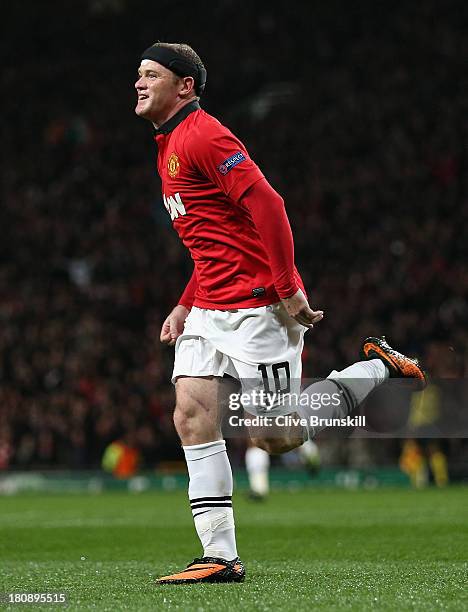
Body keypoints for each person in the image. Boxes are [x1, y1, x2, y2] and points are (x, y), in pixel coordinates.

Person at [134, 42, 426, 584]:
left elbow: (268, 205)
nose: (139, 82)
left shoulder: (204, 135)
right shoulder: (168, 143)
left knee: (276, 436)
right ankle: (219, 556)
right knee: (191, 414)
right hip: (209, 307)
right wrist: (184, 302)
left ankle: (377, 368)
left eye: (151, 74)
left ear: (186, 86)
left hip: (258, 308)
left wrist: (288, 287)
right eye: (138, 73)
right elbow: (216, 240)